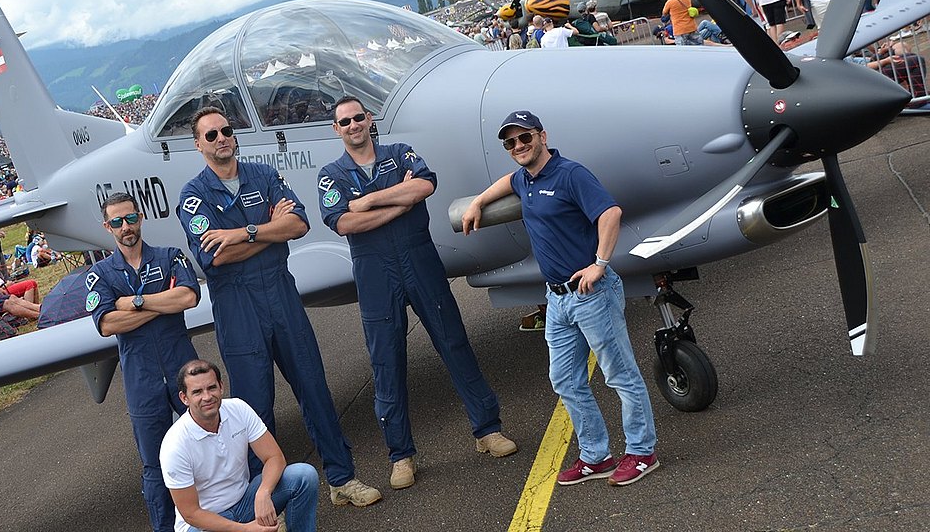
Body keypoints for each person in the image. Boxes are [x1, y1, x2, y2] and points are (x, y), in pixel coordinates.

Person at [178, 107, 380, 508]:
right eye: (211, 135)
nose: (221, 139)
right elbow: (214, 258)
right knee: (253, 409)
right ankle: (262, 500)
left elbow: (299, 225)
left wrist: (243, 233)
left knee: (315, 388)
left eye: (226, 131)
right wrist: (270, 230)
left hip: (279, 294)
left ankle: (342, 479)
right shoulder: (193, 195)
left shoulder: (264, 176)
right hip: (237, 307)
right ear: (199, 145)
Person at [319, 96, 516, 490]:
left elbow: (425, 185)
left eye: (359, 117)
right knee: (386, 363)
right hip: (376, 273)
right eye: (345, 122)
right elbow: (343, 223)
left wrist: (371, 201)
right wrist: (400, 200)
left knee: (454, 343)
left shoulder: (399, 152)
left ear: (369, 119)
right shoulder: (331, 174)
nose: (354, 125)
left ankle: (487, 430)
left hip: (419, 259)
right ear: (336, 130)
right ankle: (401, 455)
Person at [461, 110, 659, 487]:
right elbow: (508, 181)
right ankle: (596, 456)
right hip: (556, 299)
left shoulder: (571, 174)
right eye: (511, 142)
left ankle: (641, 452)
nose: (519, 146)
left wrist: (600, 264)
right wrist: (478, 203)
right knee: (565, 380)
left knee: (619, 375)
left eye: (525, 138)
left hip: (591, 292)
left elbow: (610, 213)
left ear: (542, 136)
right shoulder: (524, 179)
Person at [86, 192, 202, 532]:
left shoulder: (170, 256)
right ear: (108, 227)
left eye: (131, 218)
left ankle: (227, 516)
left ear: (141, 217)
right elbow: (107, 324)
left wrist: (133, 303)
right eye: (118, 222)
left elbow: (188, 297)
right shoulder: (101, 274)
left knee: (209, 440)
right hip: (142, 378)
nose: (127, 227)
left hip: (183, 368)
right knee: (155, 465)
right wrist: (159, 304)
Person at [160, 360, 319, 532]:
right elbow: (191, 513)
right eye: (197, 392)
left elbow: (274, 457)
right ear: (184, 398)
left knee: (304, 476)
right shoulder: (175, 445)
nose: (207, 397)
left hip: (245, 502)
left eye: (211, 388)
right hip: (205, 523)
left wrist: (263, 492)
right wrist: (244, 529)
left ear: (221, 387)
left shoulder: (238, 408)